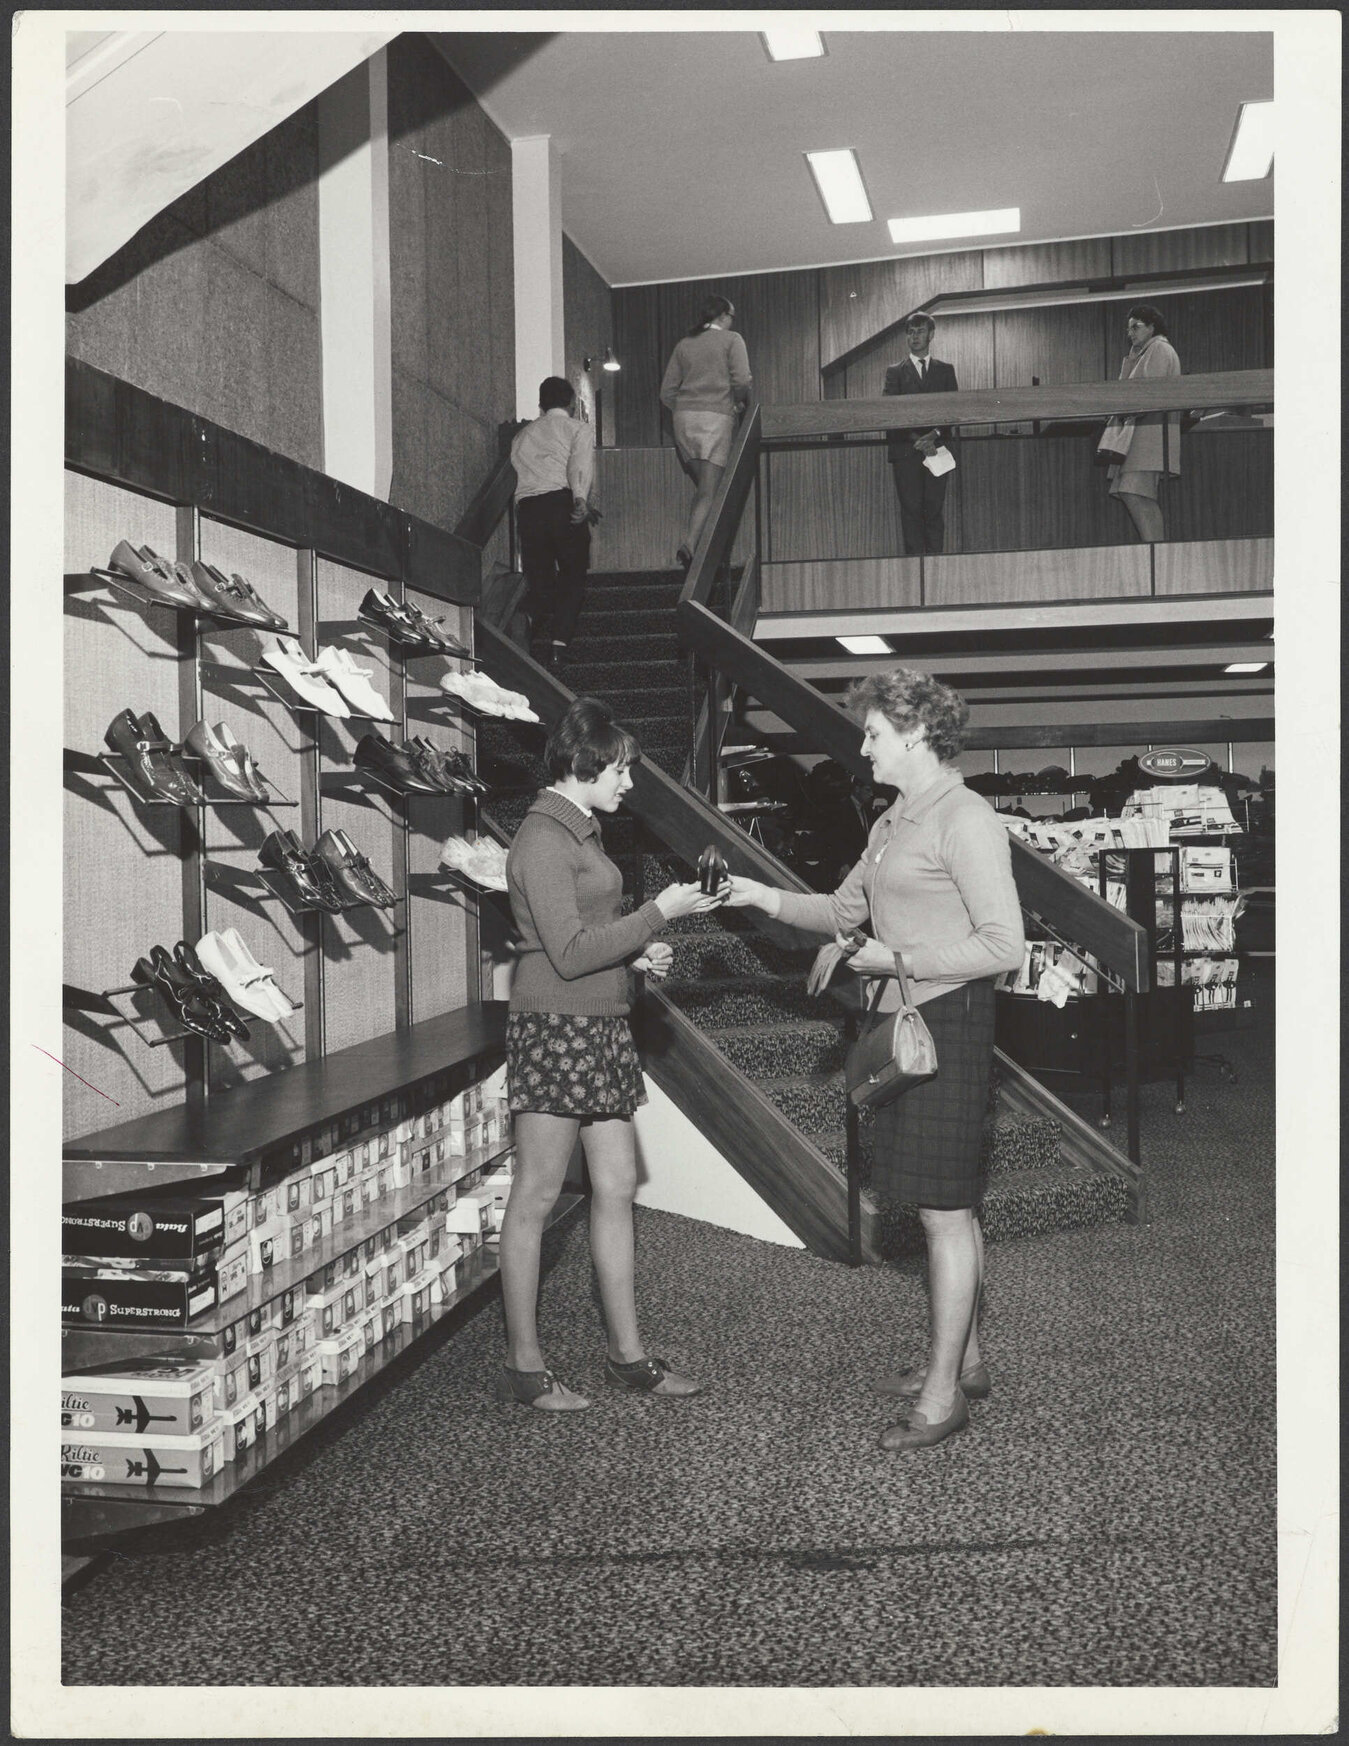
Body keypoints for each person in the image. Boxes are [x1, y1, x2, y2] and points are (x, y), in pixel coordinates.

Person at [723, 670, 1024, 1452]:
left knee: (944, 1212)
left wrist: (895, 959)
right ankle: (967, 1357)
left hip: (948, 1023)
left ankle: (941, 1391)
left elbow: (1003, 946)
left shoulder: (966, 818)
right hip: (902, 1026)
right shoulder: (894, 820)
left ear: (917, 732)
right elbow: (837, 909)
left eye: (872, 734)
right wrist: (758, 895)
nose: (862, 747)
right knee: (943, 1205)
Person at [497, 695, 726, 1411]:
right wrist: (659, 913)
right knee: (536, 1195)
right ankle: (524, 1363)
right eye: (621, 771)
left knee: (617, 1186)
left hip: (598, 1021)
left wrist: (635, 956)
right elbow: (563, 954)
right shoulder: (542, 838)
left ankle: (628, 1354)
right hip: (557, 1024)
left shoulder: (582, 834)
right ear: (584, 763)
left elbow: (590, 938)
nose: (628, 785)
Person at [659, 295, 753, 569]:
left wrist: (685, 408)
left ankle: (701, 546)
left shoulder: (684, 345)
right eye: (732, 316)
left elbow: (666, 392)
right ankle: (691, 545)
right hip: (715, 418)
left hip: (684, 421)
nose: (732, 321)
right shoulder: (732, 339)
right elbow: (742, 379)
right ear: (723, 316)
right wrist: (736, 402)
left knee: (705, 488)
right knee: (710, 490)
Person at [509, 376, 596, 672]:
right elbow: (578, 465)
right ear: (571, 403)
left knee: (541, 583)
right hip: (562, 504)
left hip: (529, 510)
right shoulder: (577, 428)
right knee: (573, 575)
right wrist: (581, 499)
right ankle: (558, 648)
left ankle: (527, 615)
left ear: (541, 404)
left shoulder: (521, 437)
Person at [883, 313, 959, 555]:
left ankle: (936, 563)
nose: (915, 337)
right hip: (907, 450)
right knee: (911, 509)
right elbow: (889, 411)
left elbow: (953, 410)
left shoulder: (945, 370)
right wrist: (917, 439)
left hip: (938, 449)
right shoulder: (894, 372)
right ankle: (914, 567)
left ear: (931, 335)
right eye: (911, 332)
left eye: (920, 331)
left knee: (934, 508)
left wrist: (934, 435)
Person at [1105, 304, 1181, 544]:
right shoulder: (1145, 352)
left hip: (1148, 437)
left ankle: (1155, 552)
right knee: (1134, 493)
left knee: (1136, 493)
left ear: (1152, 326)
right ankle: (1154, 550)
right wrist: (1130, 360)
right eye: (1129, 329)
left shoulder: (1159, 349)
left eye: (1136, 327)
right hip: (1141, 437)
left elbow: (1146, 395)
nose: (1131, 333)